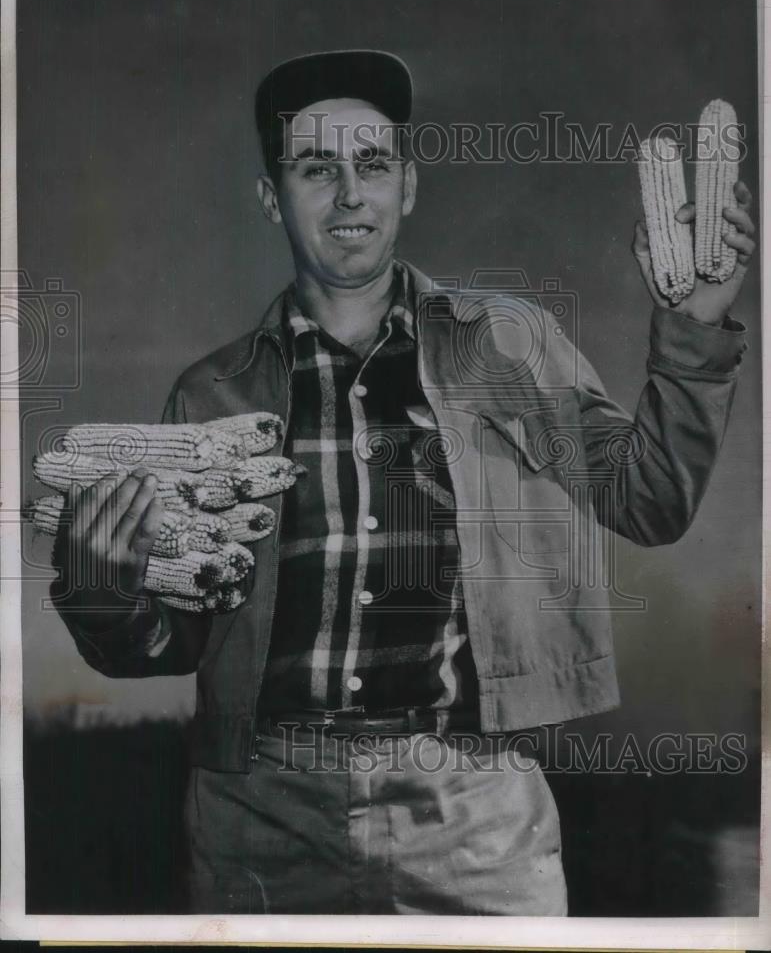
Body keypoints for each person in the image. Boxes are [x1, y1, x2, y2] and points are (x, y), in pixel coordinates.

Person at [52, 50, 755, 915]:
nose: (350, 193)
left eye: (372, 164)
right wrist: (100, 586)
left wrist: (695, 325)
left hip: (473, 811)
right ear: (273, 196)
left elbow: (648, 499)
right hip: (260, 818)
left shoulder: (508, 344)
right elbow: (175, 641)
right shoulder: (210, 395)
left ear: (407, 187)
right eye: (317, 168)